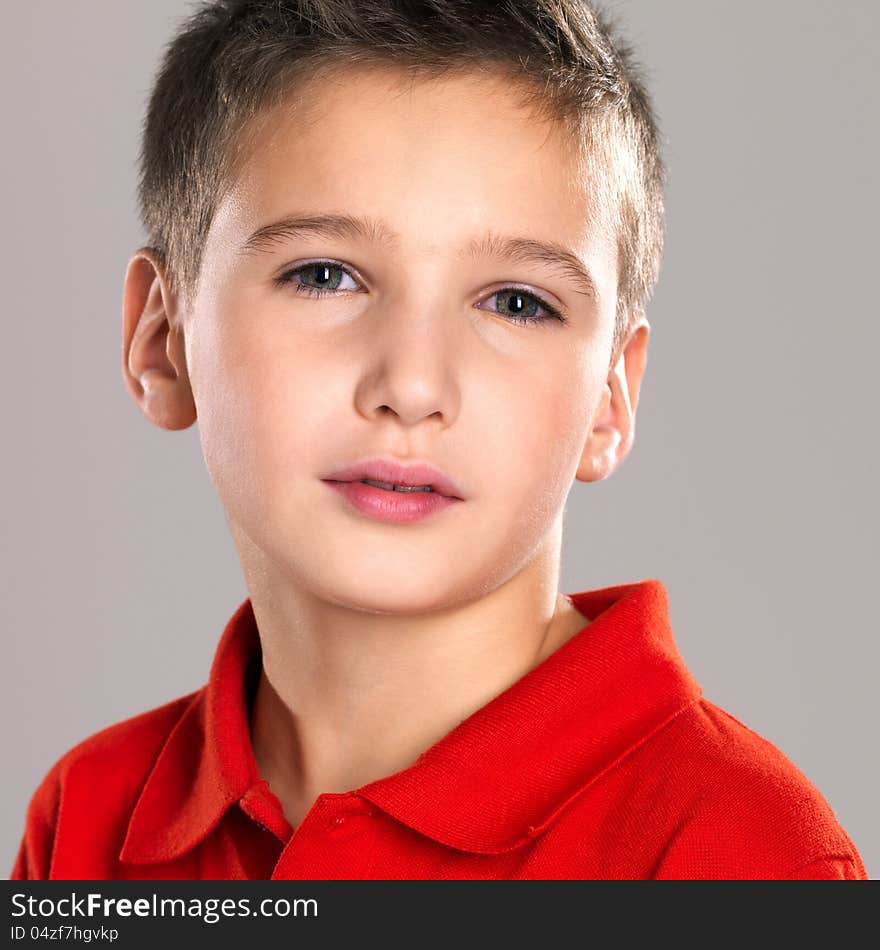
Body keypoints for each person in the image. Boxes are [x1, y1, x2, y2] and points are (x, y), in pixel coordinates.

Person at [10, 0, 866, 880]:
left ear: (611, 397)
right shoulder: (89, 819)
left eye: (517, 301)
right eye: (324, 276)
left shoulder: (743, 859)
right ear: (162, 340)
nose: (412, 386)